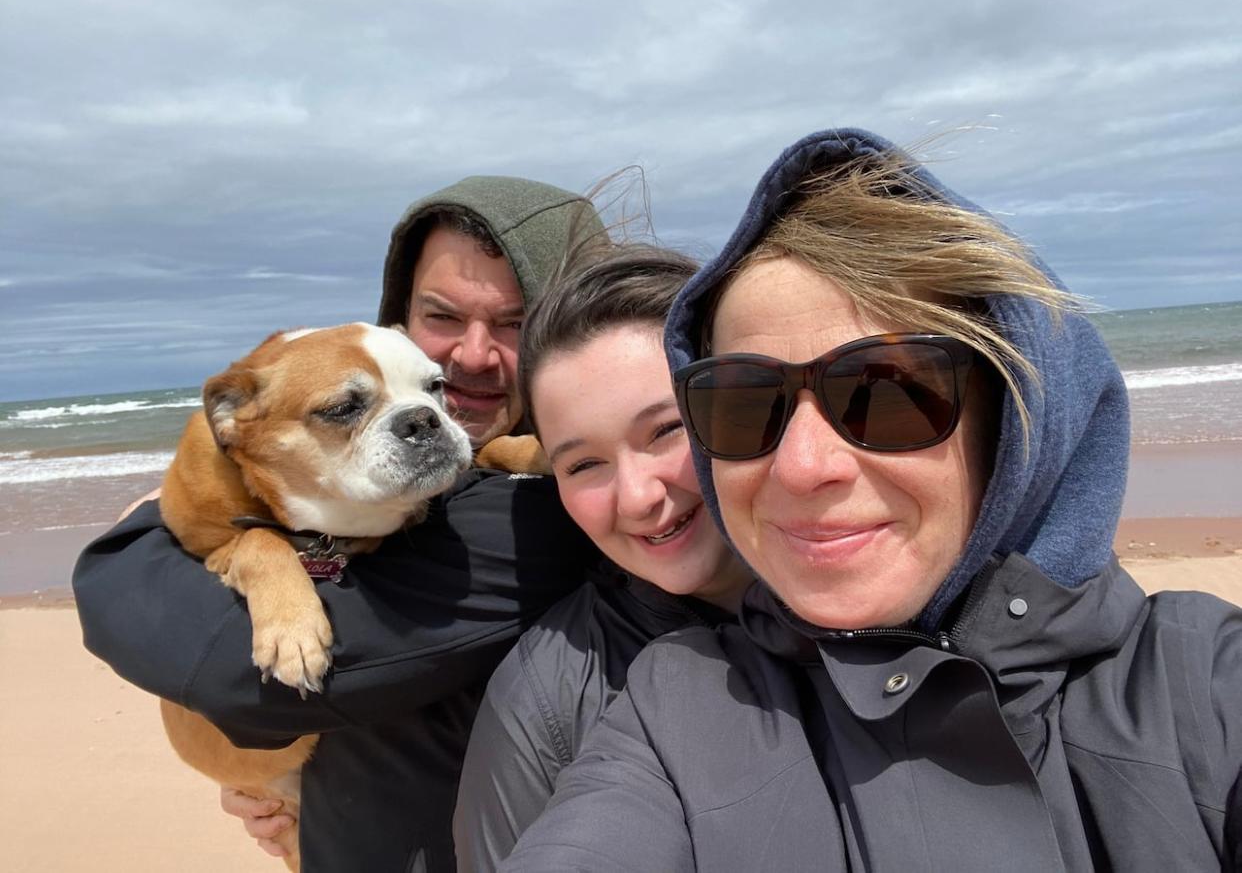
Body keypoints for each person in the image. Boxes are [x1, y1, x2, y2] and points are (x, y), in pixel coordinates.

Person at [502, 129, 1242, 870]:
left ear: (1017, 421)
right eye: (742, 404)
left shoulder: (1199, 687)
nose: (801, 466)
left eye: (885, 392)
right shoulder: (674, 713)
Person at [73, 176, 608, 872]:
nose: (472, 356)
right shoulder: (465, 457)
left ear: (576, 323)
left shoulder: (557, 513)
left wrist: (137, 540)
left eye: (515, 322)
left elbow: (221, 667)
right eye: (441, 316)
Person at [451, 247, 753, 870]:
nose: (639, 497)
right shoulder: (542, 703)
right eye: (584, 464)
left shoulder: (902, 592)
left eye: (666, 430)